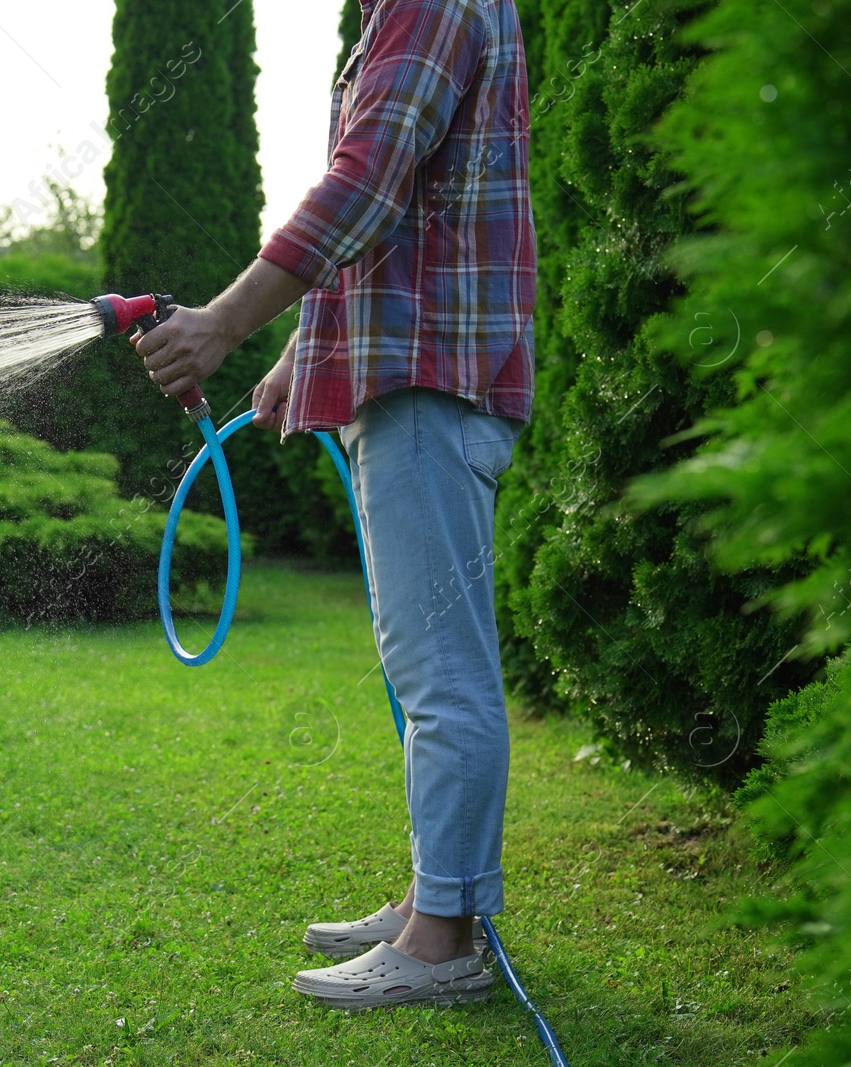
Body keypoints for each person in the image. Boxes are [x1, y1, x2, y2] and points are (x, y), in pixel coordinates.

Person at [134, 0, 536, 1011]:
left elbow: (362, 189)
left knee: (442, 676)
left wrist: (223, 323)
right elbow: (392, 222)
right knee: (424, 671)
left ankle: (441, 940)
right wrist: (292, 356)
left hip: (428, 382)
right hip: (409, 376)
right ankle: (429, 904)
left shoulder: (432, 2)